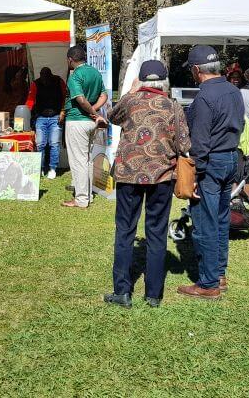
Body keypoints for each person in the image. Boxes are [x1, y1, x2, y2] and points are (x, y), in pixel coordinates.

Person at [103, 60, 191, 308]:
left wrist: (131, 92)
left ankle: (122, 291)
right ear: (164, 81)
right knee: (156, 233)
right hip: (161, 176)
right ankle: (153, 294)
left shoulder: (130, 102)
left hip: (129, 175)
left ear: (140, 80)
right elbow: (184, 144)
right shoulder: (173, 106)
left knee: (125, 231)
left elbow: (111, 116)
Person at [176, 46, 244, 300]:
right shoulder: (233, 90)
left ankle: (208, 283)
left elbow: (201, 141)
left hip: (211, 163)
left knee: (205, 222)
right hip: (229, 158)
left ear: (196, 70)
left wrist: (194, 175)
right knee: (221, 218)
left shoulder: (205, 97)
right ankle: (219, 273)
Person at [61, 46, 108, 209]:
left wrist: (91, 111)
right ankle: (87, 196)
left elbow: (80, 99)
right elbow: (104, 95)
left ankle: (81, 199)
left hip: (77, 121)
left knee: (78, 162)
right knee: (87, 160)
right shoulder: (95, 72)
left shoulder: (75, 76)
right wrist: (95, 111)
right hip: (90, 123)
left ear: (70, 60)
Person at [25, 67, 67, 179]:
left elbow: (65, 97)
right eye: (42, 77)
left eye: (46, 78)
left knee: (54, 144)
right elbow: (31, 100)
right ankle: (41, 168)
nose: (44, 80)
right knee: (40, 144)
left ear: (50, 75)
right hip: (40, 117)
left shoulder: (58, 81)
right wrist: (25, 112)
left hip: (56, 117)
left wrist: (63, 111)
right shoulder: (36, 84)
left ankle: (52, 169)